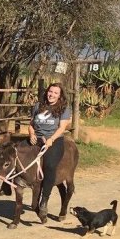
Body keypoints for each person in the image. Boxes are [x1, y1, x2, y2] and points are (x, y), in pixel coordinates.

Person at [28, 82, 71, 220]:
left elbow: (62, 128)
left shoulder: (63, 108)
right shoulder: (38, 106)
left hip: (54, 140)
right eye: (50, 91)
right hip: (37, 138)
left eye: (55, 93)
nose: (51, 94)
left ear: (60, 96)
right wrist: (31, 134)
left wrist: (51, 139)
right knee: (16, 154)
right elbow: (31, 124)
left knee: (50, 165)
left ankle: (44, 200)